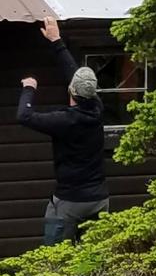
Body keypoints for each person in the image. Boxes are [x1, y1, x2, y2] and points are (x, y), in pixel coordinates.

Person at [17, 16, 109, 246]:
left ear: (71, 91)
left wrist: (29, 89)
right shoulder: (96, 108)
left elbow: (24, 116)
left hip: (70, 201)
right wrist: (56, 41)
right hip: (99, 199)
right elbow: (73, 74)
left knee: (54, 260)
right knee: (93, 260)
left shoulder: (66, 121)